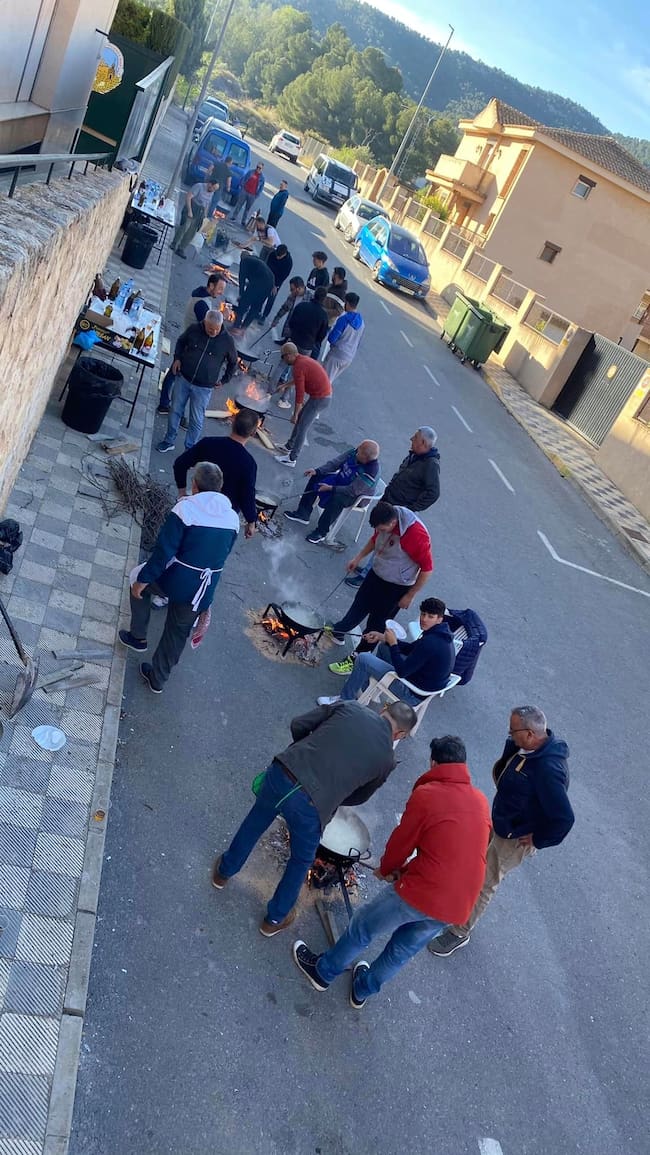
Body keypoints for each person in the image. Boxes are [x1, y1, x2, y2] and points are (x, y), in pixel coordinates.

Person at [292, 734, 491, 1008]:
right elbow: (456, 853)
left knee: (363, 927)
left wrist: (389, 869)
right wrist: (407, 869)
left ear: (434, 762)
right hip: (459, 904)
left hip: (423, 892)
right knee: (401, 951)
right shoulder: (480, 801)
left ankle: (322, 972)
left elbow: (402, 842)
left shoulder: (429, 795)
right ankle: (362, 990)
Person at [211, 699, 417, 936]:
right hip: (312, 806)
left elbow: (299, 724)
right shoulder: (387, 761)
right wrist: (332, 795)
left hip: (283, 773)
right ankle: (274, 919)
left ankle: (223, 873)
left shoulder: (351, 707)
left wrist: (301, 754)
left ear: (383, 710)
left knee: (254, 823)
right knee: (300, 861)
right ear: (400, 734)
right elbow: (361, 796)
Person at [427, 706, 575, 958]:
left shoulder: (549, 771)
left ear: (530, 733)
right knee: (474, 861)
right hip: (504, 820)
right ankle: (455, 901)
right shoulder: (530, 747)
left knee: (485, 882)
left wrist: (538, 838)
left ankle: (459, 932)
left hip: (514, 837)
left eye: (513, 730)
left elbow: (564, 818)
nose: (509, 734)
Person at [118, 462, 239, 691]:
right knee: (177, 633)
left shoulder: (185, 510)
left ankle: (138, 636)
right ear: (220, 487)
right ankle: (157, 679)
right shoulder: (232, 519)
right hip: (203, 589)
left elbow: (164, 552)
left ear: (194, 484)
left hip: (175, 580)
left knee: (137, 578)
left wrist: (142, 581)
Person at [327, 501, 433, 668]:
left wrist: (410, 595)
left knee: (377, 624)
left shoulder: (416, 535)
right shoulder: (386, 519)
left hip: (396, 586)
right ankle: (339, 631)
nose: (380, 531)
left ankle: (357, 659)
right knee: (359, 605)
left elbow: (427, 569)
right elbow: (374, 539)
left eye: (383, 529)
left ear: (392, 523)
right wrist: (358, 558)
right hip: (376, 574)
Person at [346, 428, 441, 588]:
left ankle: (367, 575)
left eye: (415, 438)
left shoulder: (430, 465)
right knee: (379, 537)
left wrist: (412, 509)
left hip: (401, 511)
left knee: (385, 543)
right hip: (390, 503)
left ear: (423, 443)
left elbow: (433, 493)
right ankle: (369, 569)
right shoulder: (414, 455)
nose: (411, 439)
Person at [318, 597, 454, 705]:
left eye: (430, 616)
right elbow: (410, 649)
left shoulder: (431, 642)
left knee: (364, 658)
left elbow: (402, 672)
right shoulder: (441, 634)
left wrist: (394, 643)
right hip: (420, 682)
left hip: (411, 692)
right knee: (384, 646)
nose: (424, 619)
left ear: (439, 619)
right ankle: (364, 690)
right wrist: (383, 637)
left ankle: (343, 701)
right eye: (423, 614)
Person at [172, 407, 259, 538]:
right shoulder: (249, 463)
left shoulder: (208, 443)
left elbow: (180, 464)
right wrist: (251, 521)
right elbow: (247, 495)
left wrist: (182, 492)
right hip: (222, 520)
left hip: (197, 505)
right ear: (253, 433)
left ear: (233, 422)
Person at [156, 312, 237, 453]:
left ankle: (190, 449)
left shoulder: (227, 341)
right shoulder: (194, 329)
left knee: (196, 419)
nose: (213, 332)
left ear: (221, 326)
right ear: (204, 323)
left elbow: (233, 362)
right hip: (184, 378)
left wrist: (224, 380)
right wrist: (177, 358)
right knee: (175, 410)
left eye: (217, 329)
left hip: (204, 387)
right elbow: (181, 342)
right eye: (210, 329)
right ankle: (169, 440)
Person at [284, 441, 380, 542]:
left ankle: (321, 532)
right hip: (341, 480)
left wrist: (330, 488)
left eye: (359, 453)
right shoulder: (355, 451)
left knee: (338, 499)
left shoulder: (371, 471)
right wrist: (318, 470)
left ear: (365, 457)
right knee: (317, 476)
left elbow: (352, 490)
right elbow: (336, 463)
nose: (356, 453)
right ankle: (303, 513)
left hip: (356, 495)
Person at [273, 344, 333, 467]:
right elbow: (299, 379)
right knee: (301, 421)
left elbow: (299, 394)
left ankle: (292, 459)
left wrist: (295, 414)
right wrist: (284, 386)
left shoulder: (299, 366)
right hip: (319, 396)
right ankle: (288, 446)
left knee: (302, 427)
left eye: (283, 357)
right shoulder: (301, 361)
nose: (283, 360)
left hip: (320, 398)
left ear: (289, 355)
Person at [323, 292, 364, 383]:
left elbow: (332, 338)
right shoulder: (362, 322)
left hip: (337, 354)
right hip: (349, 357)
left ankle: (317, 397)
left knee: (324, 381)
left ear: (348, 303)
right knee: (329, 381)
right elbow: (358, 342)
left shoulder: (344, 319)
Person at [230, 253, 275, 335]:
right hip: (270, 281)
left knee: (243, 304)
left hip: (260, 282)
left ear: (241, 258)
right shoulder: (254, 259)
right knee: (256, 306)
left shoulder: (244, 262)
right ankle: (243, 329)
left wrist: (241, 295)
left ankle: (236, 327)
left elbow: (242, 280)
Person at [171, 180, 217, 258]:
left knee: (191, 232)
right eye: (213, 188)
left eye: (215, 189)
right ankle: (174, 243)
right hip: (192, 207)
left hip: (200, 212)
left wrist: (205, 216)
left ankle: (181, 248)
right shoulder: (199, 186)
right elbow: (189, 197)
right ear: (210, 184)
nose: (213, 190)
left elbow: (207, 204)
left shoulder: (211, 192)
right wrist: (189, 211)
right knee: (184, 227)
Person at [261, 244, 294, 319]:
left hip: (277, 280)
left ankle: (264, 316)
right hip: (268, 276)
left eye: (279, 256)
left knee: (271, 297)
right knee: (262, 294)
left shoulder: (288, 262)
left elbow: (284, 276)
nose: (277, 257)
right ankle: (257, 310)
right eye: (277, 256)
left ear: (284, 254)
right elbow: (267, 265)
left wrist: (276, 285)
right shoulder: (273, 254)